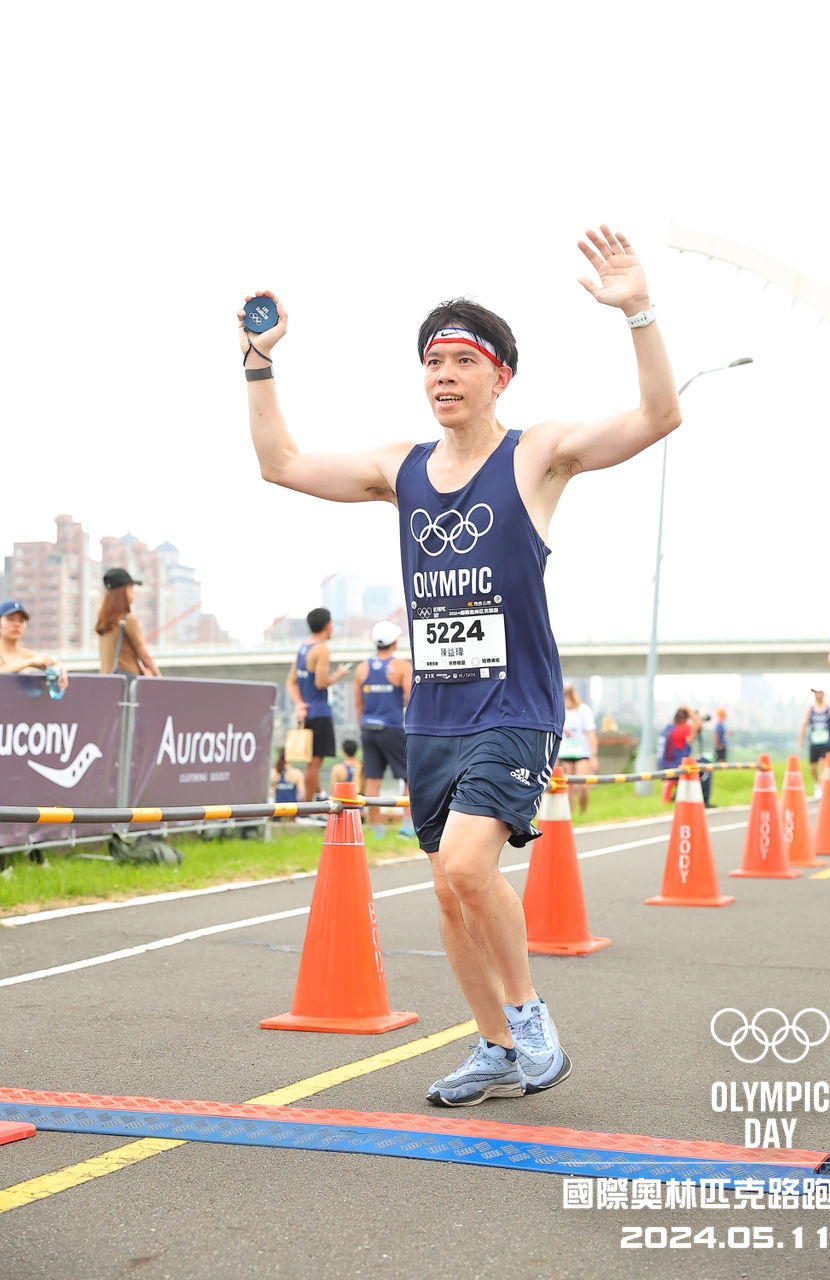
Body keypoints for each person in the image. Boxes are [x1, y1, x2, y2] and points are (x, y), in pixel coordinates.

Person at [240, 223, 681, 1107]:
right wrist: (258, 360)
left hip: (515, 706)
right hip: (433, 714)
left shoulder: (536, 455)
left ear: (499, 375)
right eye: (431, 363)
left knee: (469, 867)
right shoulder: (399, 468)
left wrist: (637, 311)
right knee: (448, 891)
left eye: (461, 361)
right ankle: (493, 1049)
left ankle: (528, 1021)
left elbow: (656, 417)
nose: (442, 376)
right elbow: (280, 465)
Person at [354, 621, 414, 837]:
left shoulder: (362, 668)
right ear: (394, 642)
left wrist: (363, 726)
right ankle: (407, 826)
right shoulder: (402, 667)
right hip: (392, 728)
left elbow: (358, 704)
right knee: (408, 777)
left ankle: (376, 830)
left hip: (368, 728)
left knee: (372, 780)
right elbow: (410, 697)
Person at [286, 607, 350, 802]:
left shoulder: (303, 648)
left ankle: (317, 799)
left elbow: (291, 682)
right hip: (320, 713)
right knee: (314, 765)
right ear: (328, 625)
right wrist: (338, 675)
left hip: (307, 714)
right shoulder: (322, 649)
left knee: (311, 764)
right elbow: (321, 683)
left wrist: (299, 704)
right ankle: (306, 808)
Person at [95, 569, 162, 676]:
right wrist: (160, 679)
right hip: (127, 682)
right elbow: (145, 657)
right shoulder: (127, 620)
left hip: (107, 681)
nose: (133, 592)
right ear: (125, 590)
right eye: (131, 587)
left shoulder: (103, 622)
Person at [0, 600, 69, 690]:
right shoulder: (27, 658)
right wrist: (30, 662)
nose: (16, 624)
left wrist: (61, 669)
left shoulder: (23, 653)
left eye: (21, 620)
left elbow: (50, 662)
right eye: (10, 619)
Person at [797, 688, 830, 798]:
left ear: (823, 693)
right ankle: (818, 784)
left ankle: (821, 788)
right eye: (815, 693)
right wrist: (800, 738)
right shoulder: (810, 710)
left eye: (819, 692)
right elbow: (804, 724)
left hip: (826, 743)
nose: (817, 695)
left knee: (823, 766)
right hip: (814, 743)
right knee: (812, 767)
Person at [557, 684, 597, 816]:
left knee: (583, 785)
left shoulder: (583, 710)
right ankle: (570, 813)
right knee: (568, 785)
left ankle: (583, 811)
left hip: (582, 753)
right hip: (566, 752)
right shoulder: (559, 710)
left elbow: (591, 733)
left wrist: (593, 755)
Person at [659, 706, 702, 803]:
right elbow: (698, 724)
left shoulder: (666, 730)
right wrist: (688, 709)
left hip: (663, 768)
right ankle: (704, 801)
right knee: (704, 768)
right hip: (676, 768)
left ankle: (675, 796)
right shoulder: (681, 730)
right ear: (684, 719)